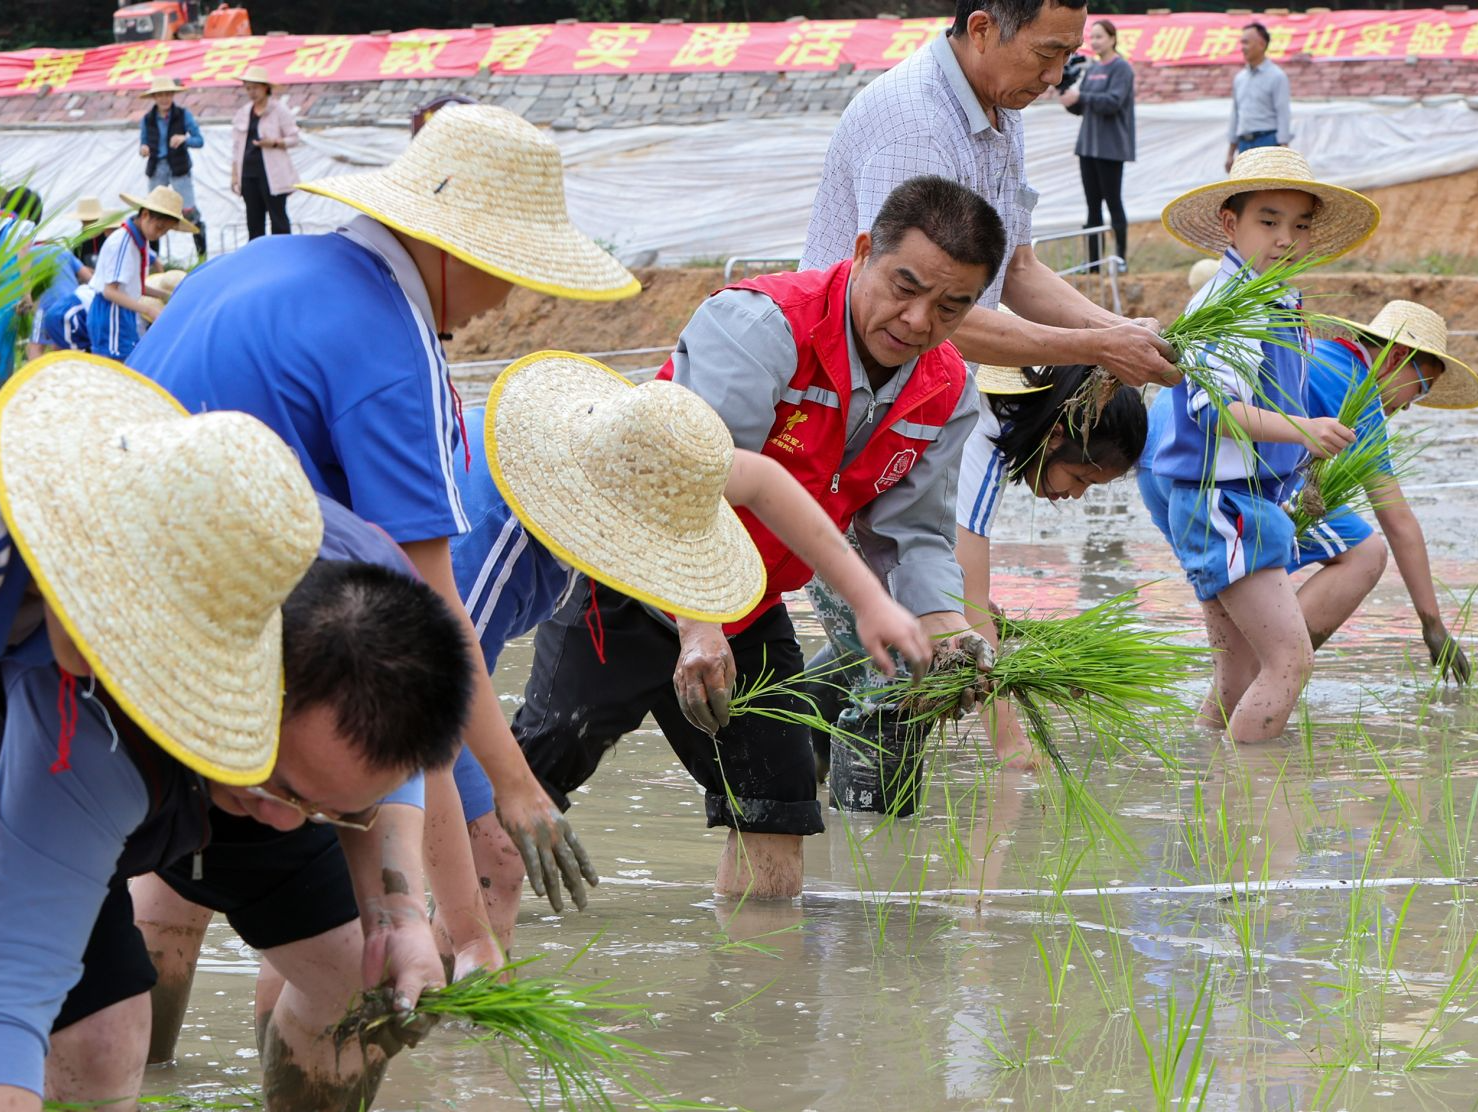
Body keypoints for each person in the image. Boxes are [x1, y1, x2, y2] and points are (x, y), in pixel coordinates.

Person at [129, 106, 637, 987]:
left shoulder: (259, 263)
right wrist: (509, 802)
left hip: (121, 642)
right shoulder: (395, 352)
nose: (506, 300)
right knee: (339, 971)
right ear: (459, 251)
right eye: (508, 273)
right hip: (237, 659)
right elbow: (425, 642)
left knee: (174, 896)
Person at [0, 354, 475, 1111]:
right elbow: (12, 1002)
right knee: (99, 1042)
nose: (291, 823)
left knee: (358, 975)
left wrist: (398, 916)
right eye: (288, 790)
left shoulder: (371, 603)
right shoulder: (82, 716)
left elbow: (391, 763)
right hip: (75, 746)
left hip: (258, 745)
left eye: (321, 807)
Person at [512, 176, 1003, 901]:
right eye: (905, 286)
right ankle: (450, 942)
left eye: (951, 306)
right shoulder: (761, 326)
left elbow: (913, 533)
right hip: (627, 576)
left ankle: (759, 995)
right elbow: (685, 493)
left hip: (747, 599)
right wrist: (696, 626)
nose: (918, 320)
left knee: (778, 806)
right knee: (531, 773)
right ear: (865, 251)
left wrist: (947, 628)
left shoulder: (948, 389)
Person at [444, 354, 929, 946]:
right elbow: (437, 693)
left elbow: (768, 484)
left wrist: (869, 600)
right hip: (365, 662)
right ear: (608, 519)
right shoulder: (503, 542)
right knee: (488, 853)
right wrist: (512, 797)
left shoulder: (638, 462)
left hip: (424, 664)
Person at [801, 0, 1179, 388]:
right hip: (842, 388)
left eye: (1068, 55)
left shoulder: (1001, 104)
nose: (1054, 75)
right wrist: (1098, 347)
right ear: (982, 30)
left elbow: (1017, 268)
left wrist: (1120, 329)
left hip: (921, 391)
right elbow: (921, 309)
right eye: (1046, 53)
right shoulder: (918, 126)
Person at [809, 358, 1148, 782]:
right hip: (832, 520)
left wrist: (967, 602)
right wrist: (1010, 744)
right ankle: (866, 827)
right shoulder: (987, 436)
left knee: (891, 639)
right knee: (906, 672)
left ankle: (798, 739)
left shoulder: (1000, 417)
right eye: (1081, 478)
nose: (1076, 496)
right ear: (1056, 436)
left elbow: (954, 570)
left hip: (855, 518)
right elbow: (962, 608)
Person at [1150, 147, 1380, 742]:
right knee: (1289, 662)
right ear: (1231, 224)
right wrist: (1305, 431)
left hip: (1243, 502)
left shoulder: (1273, 298)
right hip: (1224, 506)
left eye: (1299, 225)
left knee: (1239, 675)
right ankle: (1253, 812)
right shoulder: (1227, 305)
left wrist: (1300, 463)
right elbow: (1215, 412)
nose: (1285, 238)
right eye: (1268, 221)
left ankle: (1205, 789)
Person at [1289, 300, 1475, 678]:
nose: (1409, 408)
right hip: (1233, 491)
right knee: (1364, 551)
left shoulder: (1318, 354)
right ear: (1395, 359)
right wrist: (1433, 625)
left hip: (1181, 473)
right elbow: (1398, 521)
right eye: (1422, 389)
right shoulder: (1359, 392)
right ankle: (1277, 664)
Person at [1060, 19, 1135, 270]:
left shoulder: (1122, 68)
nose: (1095, 41)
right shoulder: (1091, 69)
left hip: (1111, 147)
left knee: (1113, 203)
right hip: (1088, 146)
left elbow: (1112, 102)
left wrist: (1082, 96)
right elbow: (1083, 108)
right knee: (1092, 206)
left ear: (1113, 39)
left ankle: (1120, 259)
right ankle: (1093, 262)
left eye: (1100, 36)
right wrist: (1069, 99)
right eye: (1092, 37)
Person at [84, 186, 191, 361]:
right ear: (145, 215)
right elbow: (110, 291)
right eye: (159, 227)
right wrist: (149, 309)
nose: (159, 234)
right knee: (117, 368)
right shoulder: (123, 242)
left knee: (130, 363)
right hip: (111, 313)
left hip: (125, 312)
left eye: (165, 232)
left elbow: (135, 286)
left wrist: (165, 295)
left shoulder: (141, 241)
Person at [136, 75, 207, 259]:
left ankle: (201, 256)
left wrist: (185, 139)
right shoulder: (147, 119)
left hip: (179, 166)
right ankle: (153, 260)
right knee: (153, 212)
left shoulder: (183, 115)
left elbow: (199, 141)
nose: (164, 98)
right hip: (156, 167)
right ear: (154, 97)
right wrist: (143, 149)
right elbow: (143, 143)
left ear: (173, 95)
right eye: (160, 95)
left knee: (190, 211)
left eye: (168, 94)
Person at [232, 65, 300, 240]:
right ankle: (258, 258)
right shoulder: (243, 112)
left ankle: (283, 254)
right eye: (248, 88)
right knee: (253, 221)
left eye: (255, 87)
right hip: (248, 173)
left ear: (265, 88)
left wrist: (274, 143)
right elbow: (236, 147)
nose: (252, 92)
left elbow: (294, 138)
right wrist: (234, 175)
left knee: (278, 218)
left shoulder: (279, 110)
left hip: (272, 173)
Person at [1224, 22, 1292, 173]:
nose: (1242, 47)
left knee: (1268, 189)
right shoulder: (1240, 78)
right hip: (1244, 145)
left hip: (1268, 141)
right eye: (1242, 42)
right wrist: (1230, 152)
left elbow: (1283, 113)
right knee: (1247, 191)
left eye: (1246, 42)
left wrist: (1284, 150)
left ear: (1261, 44)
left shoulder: (1277, 76)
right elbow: (1236, 114)